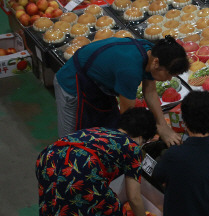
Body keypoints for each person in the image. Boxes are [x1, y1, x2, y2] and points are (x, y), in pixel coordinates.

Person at [36, 107, 163, 216]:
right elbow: (134, 197)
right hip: (78, 173)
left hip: (48, 161)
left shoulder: (100, 131)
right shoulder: (131, 147)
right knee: (113, 213)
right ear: (143, 136)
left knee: (67, 210)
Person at [54, 36, 189, 146]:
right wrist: (151, 132)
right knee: (70, 140)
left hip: (97, 87)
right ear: (156, 63)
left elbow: (150, 91)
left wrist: (163, 126)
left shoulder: (149, 51)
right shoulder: (130, 71)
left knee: (101, 131)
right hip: (72, 85)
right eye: (169, 74)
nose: (169, 78)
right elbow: (128, 118)